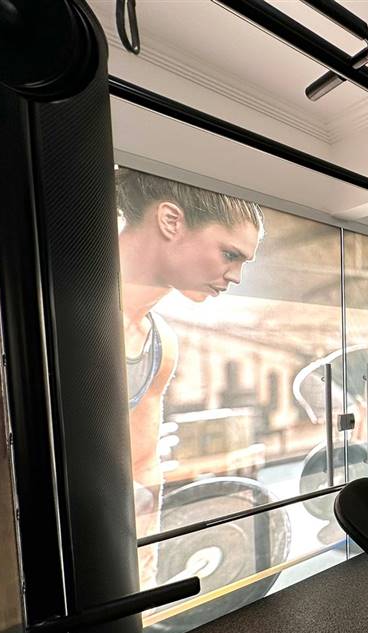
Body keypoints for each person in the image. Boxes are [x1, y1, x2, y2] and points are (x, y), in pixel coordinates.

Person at [116, 168, 264, 588]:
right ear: (170, 221)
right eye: (230, 254)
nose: (236, 276)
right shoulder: (50, 305)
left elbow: (142, 466)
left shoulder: (160, 343)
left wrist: (142, 577)